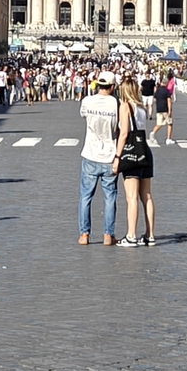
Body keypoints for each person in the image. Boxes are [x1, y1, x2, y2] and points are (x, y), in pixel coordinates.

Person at [78, 72, 125, 246]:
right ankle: (108, 235)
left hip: (90, 153)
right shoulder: (116, 104)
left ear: (98, 85)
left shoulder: (87, 101)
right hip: (110, 155)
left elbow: (84, 116)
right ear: (113, 87)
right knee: (110, 197)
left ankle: (84, 235)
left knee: (85, 197)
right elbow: (121, 128)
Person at [120, 78, 157, 242]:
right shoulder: (141, 107)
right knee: (147, 195)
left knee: (132, 197)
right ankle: (150, 234)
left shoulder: (125, 106)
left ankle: (131, 235)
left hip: (132, 151)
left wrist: (116, 157)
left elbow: (124, 134)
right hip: (145, 151)